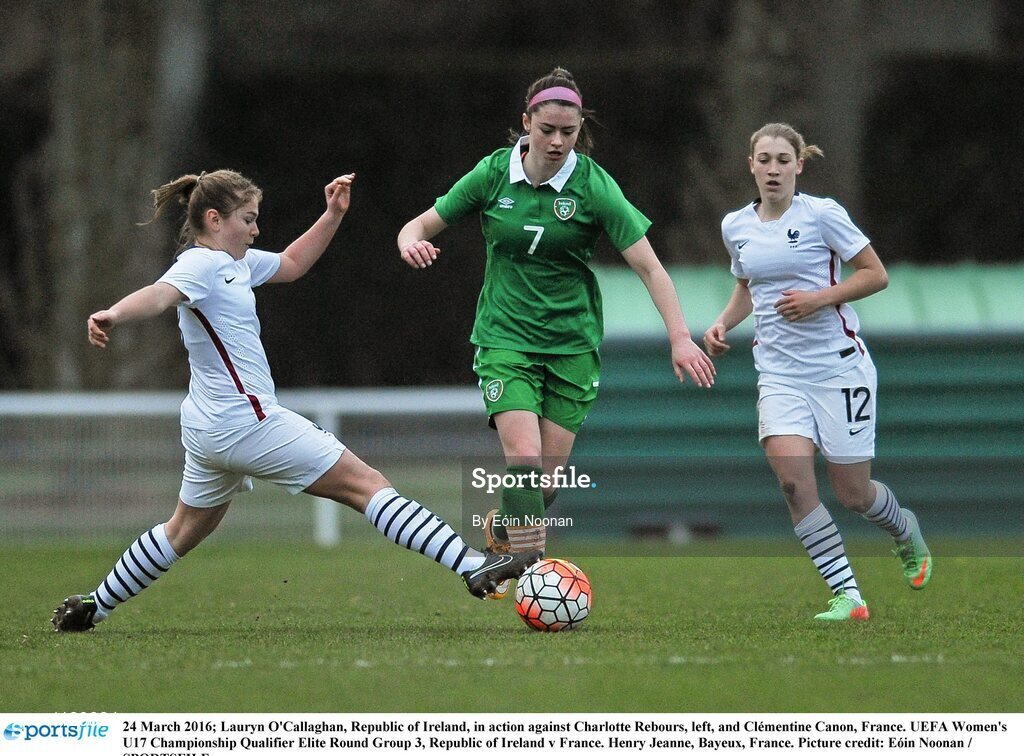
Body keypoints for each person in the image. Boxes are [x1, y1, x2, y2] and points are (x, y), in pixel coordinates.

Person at [51, 169, 538, 632]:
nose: (256, 230)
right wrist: (113, 313)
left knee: (182, 530)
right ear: (214, 220)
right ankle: (473, 565)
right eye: (249, 219)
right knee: (367, 486)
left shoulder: (233, 264)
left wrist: (332, 215)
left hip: (207, 428)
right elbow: (159, 295)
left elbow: (292, 264)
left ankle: (96, 606)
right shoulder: (199, 264)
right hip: (247, 422)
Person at [397, 68, 714, 597]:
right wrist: (410, 242)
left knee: (542, 483)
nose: (558, 141)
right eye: (547, 129)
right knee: (522, 460)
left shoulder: (592, 185)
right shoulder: (493, 173)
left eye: (569, 132)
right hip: (504, 339)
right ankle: (534, 572)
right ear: (526, 123)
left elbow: (651, 268)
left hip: (572, 347)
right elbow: (420, 224)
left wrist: (680, 337)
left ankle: (504, 532)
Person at [703, 123, 932, 622]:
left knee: (854, 494)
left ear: (799, 164)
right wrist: (722, 324)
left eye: (782, 159)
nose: (772, 169)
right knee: (793, 484)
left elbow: (876, 274)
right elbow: (748, 287)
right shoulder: (735, 226)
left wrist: (818, 299)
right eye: (763, 159)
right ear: (751, 165)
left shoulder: (823, 215)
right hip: (780, 375)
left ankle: (903, 526)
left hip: (839, 370)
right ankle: (849, 595)